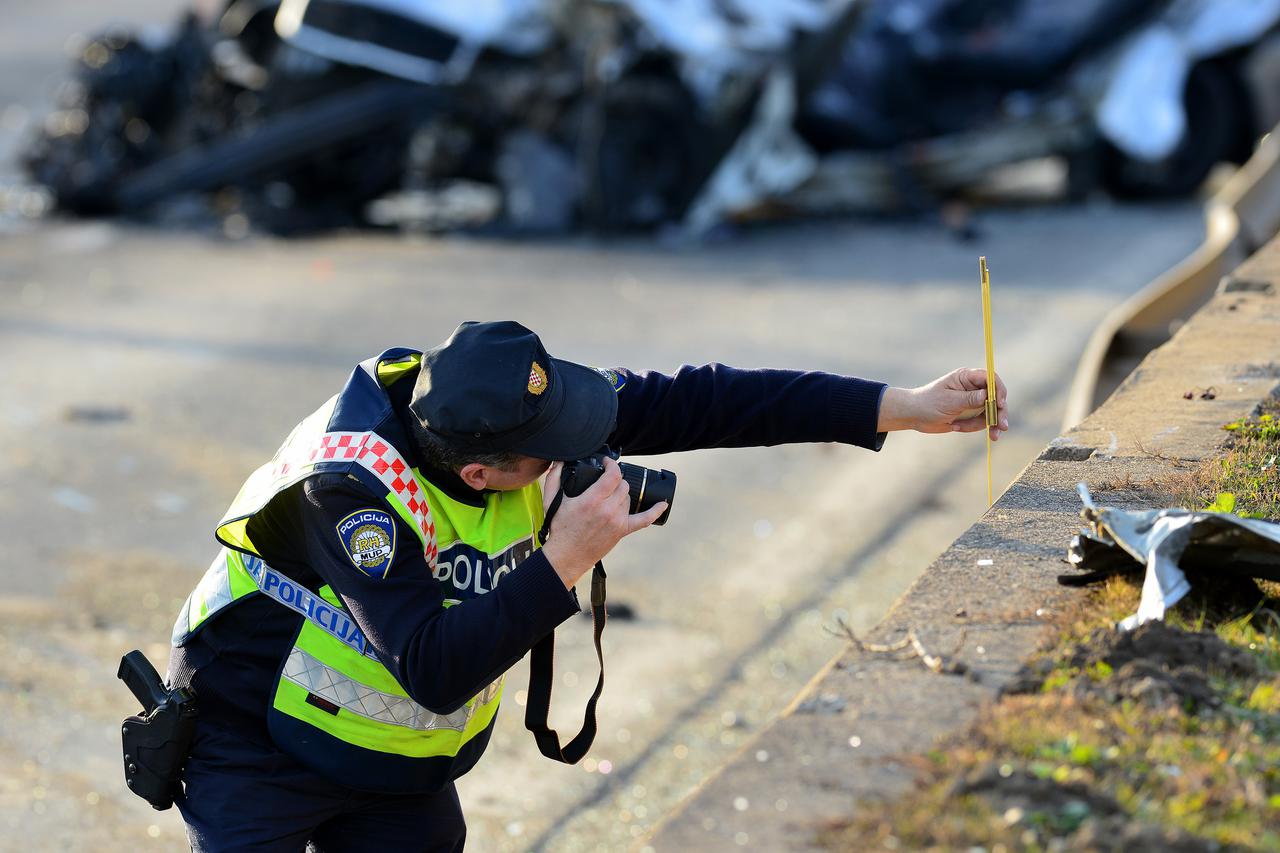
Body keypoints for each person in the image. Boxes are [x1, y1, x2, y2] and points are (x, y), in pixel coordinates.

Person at [166, 320, 1008, 851]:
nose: (580, 447)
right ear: (479, 471)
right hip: (253, 741)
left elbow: (704, 403)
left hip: (389, 754)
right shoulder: (351, 492)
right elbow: (432, 666)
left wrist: (903, 405)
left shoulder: (501, 403)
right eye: (555, 452)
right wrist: (564, 557)